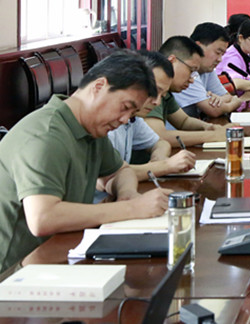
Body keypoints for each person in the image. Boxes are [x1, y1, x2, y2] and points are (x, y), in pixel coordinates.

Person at [0, 51, 171, 273]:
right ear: (98, 87)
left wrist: (127, 192)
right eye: (125, 107)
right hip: (12, 274)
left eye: (132, 113)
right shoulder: (46, 135)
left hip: (55, 255)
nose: (124, 120)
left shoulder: (90, 129)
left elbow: (121, 171)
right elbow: (43, 218)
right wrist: (132, 208)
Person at [97, 51, 196, 202]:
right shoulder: (102, 123)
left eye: (162, 96)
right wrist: (165, 166)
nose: (156, 102)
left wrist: (159, 160)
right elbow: (109, 175)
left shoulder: (132, 118)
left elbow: (160, 142)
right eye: (153, 91)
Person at [145, 36, 231, 147]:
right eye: (191, 70)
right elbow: (159, 136)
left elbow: (184, 121)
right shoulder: (151, 88)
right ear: (172, 61)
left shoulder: (166, 92)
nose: (191, 79)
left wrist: (209, 127)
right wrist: (214, 136)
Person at [173, 22, 242, 118]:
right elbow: (214, 111)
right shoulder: (185, 72)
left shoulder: (207, 69)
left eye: (222, 54)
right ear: (198, 47)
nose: (220, 59)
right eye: (218, 52)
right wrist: (236, 101)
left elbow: (227, 96)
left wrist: (222, 100)